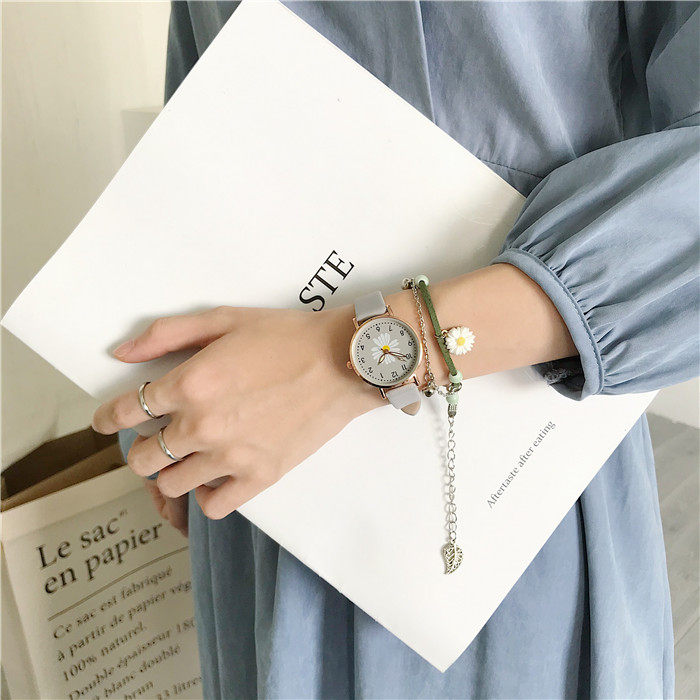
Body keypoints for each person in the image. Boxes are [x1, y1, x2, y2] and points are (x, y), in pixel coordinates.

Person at [94, 1, 699, 697]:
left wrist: (344, 363)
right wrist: (166, 408)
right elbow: (205, 106)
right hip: (253, 460)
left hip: (515, 461)